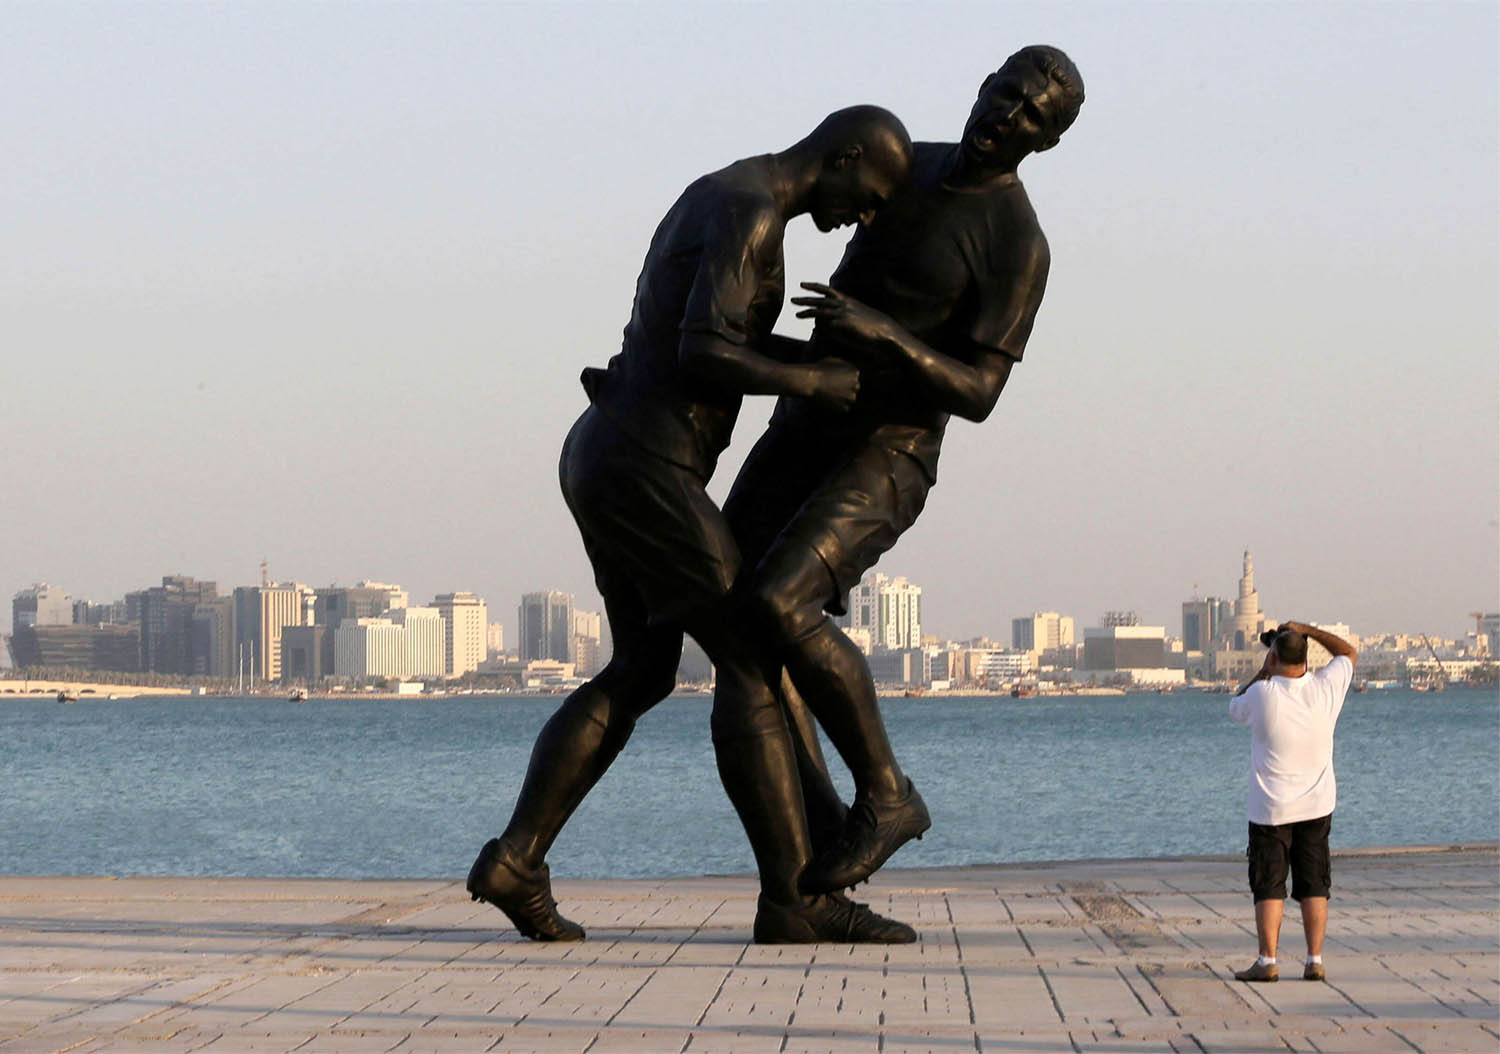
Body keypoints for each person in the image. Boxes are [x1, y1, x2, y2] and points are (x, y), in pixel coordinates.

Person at [467, 106, 918, 944]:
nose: (863, 217)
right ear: (844, 155)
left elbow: (709, 333)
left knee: (643, 669)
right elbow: (702, 351)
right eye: (870, 196)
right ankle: (795, 900)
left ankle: (516, 860)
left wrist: (812, 358)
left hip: (603, 452)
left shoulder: (722, 192)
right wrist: (812, 385)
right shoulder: (751, 214)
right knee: (749, 650)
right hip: (646, 468)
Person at [722, 45, 1085, 893]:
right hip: (806, 421)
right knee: (738, 624)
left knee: (781, 601)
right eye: (1007, 94)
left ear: (1046, 141)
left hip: (890, 452)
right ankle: (814, 852)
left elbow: (981, 391)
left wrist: (881, 332)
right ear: (984, 85)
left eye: (1032, 115)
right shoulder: (903, 164)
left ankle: (887, 793)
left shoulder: (1016, 243)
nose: (1008, 115)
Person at [1228, 621, 1358, 983]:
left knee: (1269, 883)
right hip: (1316, 805)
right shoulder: (1325, 688)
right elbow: (1348, 653)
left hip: (1270, 808)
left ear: (1272, 658)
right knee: (1315, 882)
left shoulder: (1262, 695)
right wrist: (1308, 630)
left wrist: (1261, 673)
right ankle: (1314, 959)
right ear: (1306, 657)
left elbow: (1235, 707)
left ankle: (1267, 961)